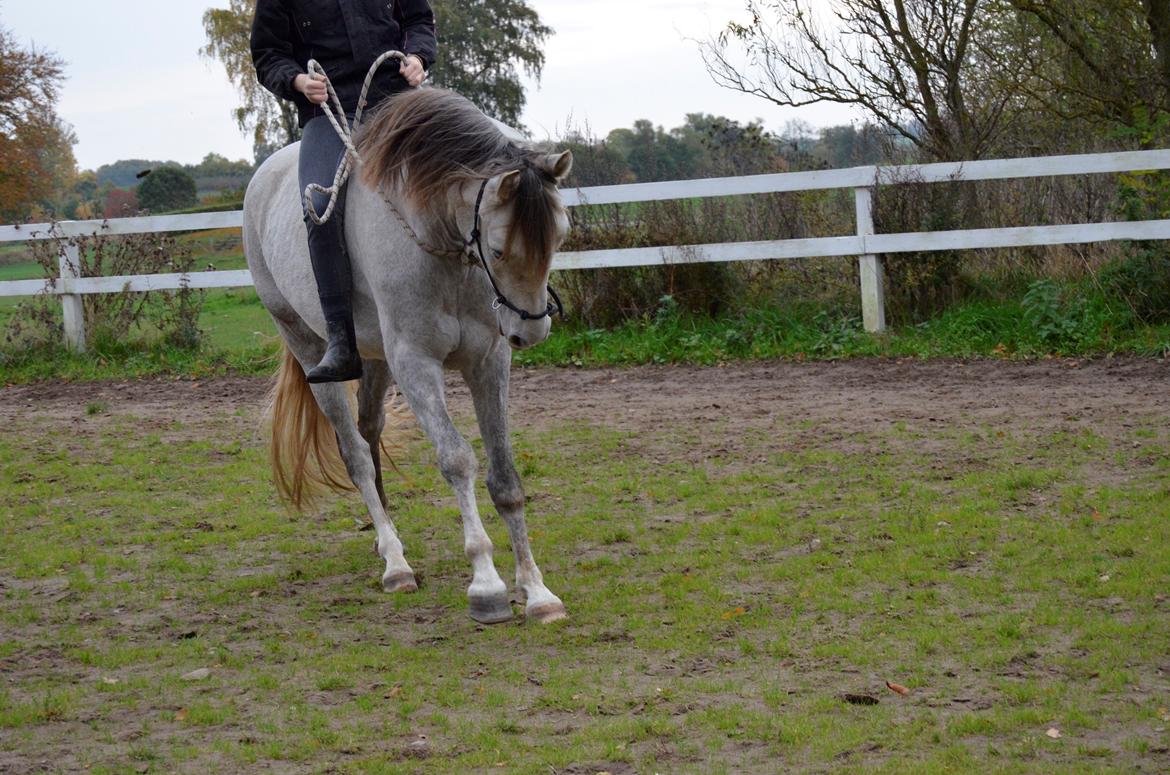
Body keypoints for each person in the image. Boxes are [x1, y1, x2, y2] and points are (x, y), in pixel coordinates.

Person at [251, 0, 437, 382]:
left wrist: (419, 56)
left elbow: (418, 18)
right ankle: (340, 339)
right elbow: (268, 54)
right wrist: (298, 82)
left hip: (397, 105)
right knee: (319, 204)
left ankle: (497, 302)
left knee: (459, 175)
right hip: (329, 115)